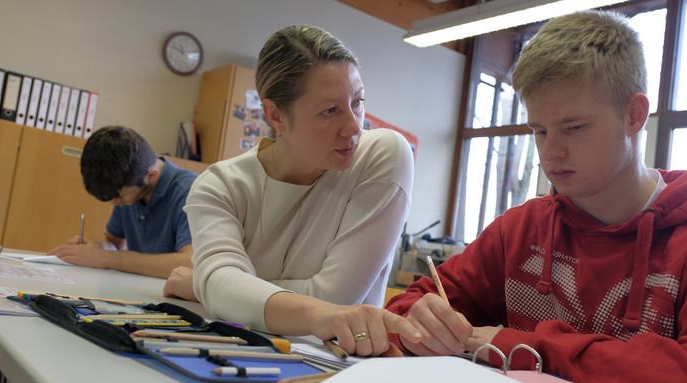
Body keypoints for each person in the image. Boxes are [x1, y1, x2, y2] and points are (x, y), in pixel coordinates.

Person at [386, 10, 687, 382]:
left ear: (633, 115)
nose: (550, 152)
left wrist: (512, 344)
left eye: (574, 127)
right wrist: (421, 322)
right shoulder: (520, 229)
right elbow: (403, 312)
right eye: (539, 131)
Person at [168, 24, 422, 356]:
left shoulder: (383, 155)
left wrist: (216, 290)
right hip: (238, 355)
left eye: (357, 102)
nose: (354, 127)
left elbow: (336, 299)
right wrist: (217, 287)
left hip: (338, 365)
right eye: (329, 111)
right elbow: (323, 305)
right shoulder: (219, 187)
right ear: (276, 116)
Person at [48, 126, 197, 279]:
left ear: (151, 175)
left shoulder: (189, 192)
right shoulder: (128, 186)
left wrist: (105, 258)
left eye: (119, 197)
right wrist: (95, 249)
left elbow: (190, 263)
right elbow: (113, 241)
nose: (115, 203)